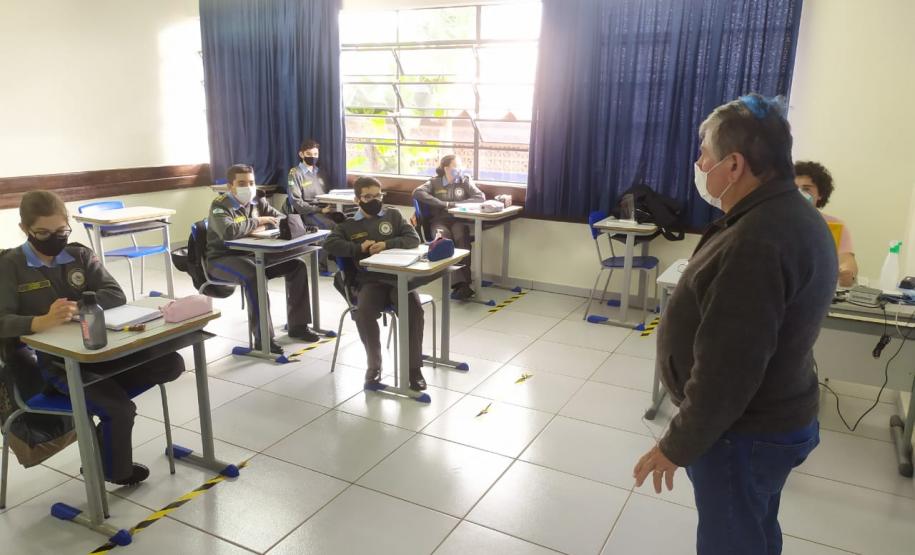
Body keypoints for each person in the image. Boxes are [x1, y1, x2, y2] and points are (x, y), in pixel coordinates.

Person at [632, 94, 837, 555]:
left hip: (742, 434)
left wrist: (675, 444)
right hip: (773, 418)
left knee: (732, 540)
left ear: (735, 165)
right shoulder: (787, 213)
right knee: (755, 526)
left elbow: (728, 371)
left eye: (705, 154)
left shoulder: (758, 239)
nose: (699, 164)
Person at [0, 190, 185, 485]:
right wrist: (40, 321)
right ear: (25, 229)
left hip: (99, 348)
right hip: (50, 363)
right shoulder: (10, 265)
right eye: (43, 232)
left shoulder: (78, 255)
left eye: (61, 230)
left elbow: (114, 293)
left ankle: (105, 419)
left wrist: (83, 305)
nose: (54, 238)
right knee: (118, 408)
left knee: (170, 363)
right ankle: (114, 469)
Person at [323, 176, 427, 391]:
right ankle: (374, 366)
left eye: (377, 195)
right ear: (357, 199)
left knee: (414, 310)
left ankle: (413, 369)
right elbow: (330, 244)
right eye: (367, 196)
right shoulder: (349, 224)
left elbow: (413, 239)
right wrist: (359, 248)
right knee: (364, 312)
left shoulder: (393, 215)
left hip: (399, 279)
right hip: (370, 280)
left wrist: (386, 244)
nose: (374, 200)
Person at [206, 163, 319, 353]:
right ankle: (263, 339)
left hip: (254, 254)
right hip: (222, 259)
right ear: (230, 186)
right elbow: (228, 231)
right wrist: (258, 222)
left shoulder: (258, 200)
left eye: (251, 182)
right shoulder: (220, 205)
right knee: (253, 276)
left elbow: (282, 219)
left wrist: (261, 224)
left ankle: (298, 327)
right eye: (241, 183)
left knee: (296, 266)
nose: (248, 187)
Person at [413, 154, 484, 300]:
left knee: (461, 238)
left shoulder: (464, 181)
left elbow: (480, 197)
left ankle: (462, 284)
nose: (460, 168)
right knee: (445, 239)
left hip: (458, 220)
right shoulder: (434, 182)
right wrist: (442, 204)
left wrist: (456, 205)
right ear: (446, 168)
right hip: (438, 222)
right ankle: (460, 285)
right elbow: (417, 193)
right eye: (456, 166)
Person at [795, 160, 858, 287]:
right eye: (793, 189)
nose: (799, 194)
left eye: (806, 189)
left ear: (821, 194)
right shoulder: (774, 222)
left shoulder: (833, 225)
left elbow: (846, 259)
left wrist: (847, 273)